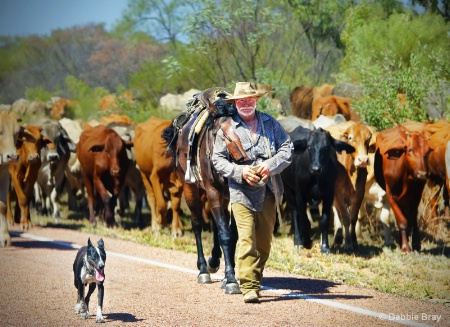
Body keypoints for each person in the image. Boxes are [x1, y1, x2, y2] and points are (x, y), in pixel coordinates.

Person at [212, 82, 292, 303]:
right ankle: (249, 286)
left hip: (269, 188)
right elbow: (217, 159)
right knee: (246, 238)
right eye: (241, 101)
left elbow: (287, 148)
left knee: (264, 241)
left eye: (249, 100)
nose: (245, 104)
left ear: (256, 101)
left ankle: (256, 273)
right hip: (240, 192)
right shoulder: (226, 129)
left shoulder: (270, 123)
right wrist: (240, 171)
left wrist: (271, 165)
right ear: (235, 104)